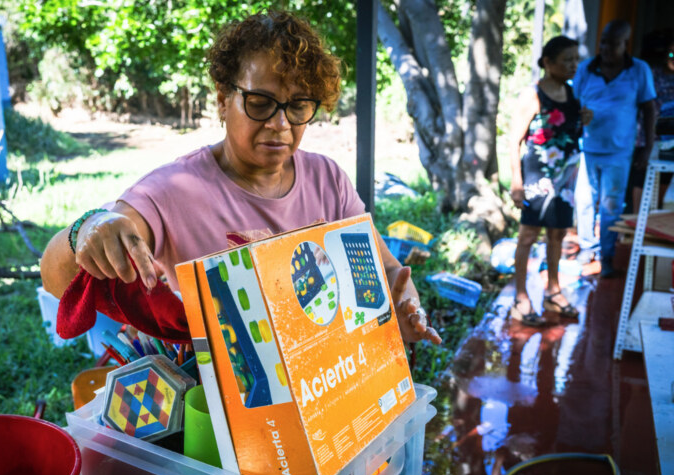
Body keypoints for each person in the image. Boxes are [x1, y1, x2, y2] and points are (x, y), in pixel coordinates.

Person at [40, 10, 441, 347]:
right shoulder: (170, 192)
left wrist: (405, 308)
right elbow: (58, 278)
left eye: (298, 106)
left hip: (319, 384)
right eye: (261, 103)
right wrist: (90, 227)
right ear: (222, 98)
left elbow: (386, 273)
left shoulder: (328, 180)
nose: (281, 124)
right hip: (213, 399)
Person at [508, 36, 592, 326]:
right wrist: (516, 183)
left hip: (566, 177)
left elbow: (568, 134)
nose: (574, 65)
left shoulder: (572, 95)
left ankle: (552, 291)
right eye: (567, 59)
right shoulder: (532, 95)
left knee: (557, 234)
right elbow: (513, 141)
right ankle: (520, 297)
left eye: (575, 59)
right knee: (528, 235)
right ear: (547, 62)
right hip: (536, 175)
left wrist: (585, 120)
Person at [572, 20, 657, 278]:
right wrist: (578, 120)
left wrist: (647, 147)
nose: (607, 48)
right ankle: (587, 247)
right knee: (584, 201)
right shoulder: (587, 69)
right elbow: (572, 102)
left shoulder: (638, 70)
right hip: (588, 148)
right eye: (604, 42)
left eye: (613, 43)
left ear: (625, 44)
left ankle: (607, 255)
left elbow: (649, 109)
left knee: (611, 205)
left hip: (620, 151)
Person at [627, 33, 674, 213]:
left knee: (664, 178)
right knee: (641, 176)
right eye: (671, 53)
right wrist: (648, 144)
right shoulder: (652, 74)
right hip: (648, 136)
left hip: (671, 142)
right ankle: (636, 221)